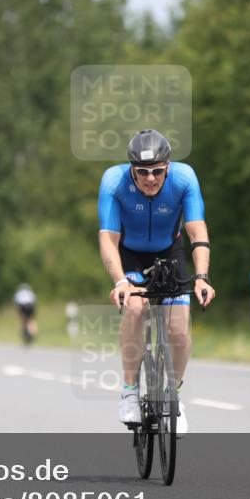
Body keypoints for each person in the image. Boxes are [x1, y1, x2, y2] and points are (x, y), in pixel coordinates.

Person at [98, 128, 216, 435]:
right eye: (142, 172)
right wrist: (120, 281)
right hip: (131, 257)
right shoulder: (113, 181)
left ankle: (173, 396)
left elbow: (197, 232)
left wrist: (202, 277)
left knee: (178, 329)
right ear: (132, 171)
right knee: (136, 310)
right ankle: (128, 391)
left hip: (170, 253)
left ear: (167, 167)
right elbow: (108, 240)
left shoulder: (184, 179)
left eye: (157, 171)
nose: (150, 178)